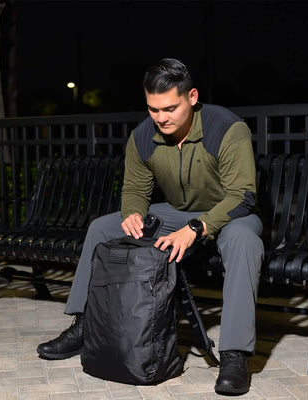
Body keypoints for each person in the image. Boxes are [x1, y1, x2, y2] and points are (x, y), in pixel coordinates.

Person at [37, 58, 264, 396]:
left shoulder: (226, 128)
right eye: (153, 109)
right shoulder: (143, 135)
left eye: (170, 108)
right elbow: (134, 190)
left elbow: (241, 196)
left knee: (245, 242)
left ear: (192, 97)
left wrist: (196, 228)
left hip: (229, 213)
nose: (161, 117)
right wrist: (131, 212)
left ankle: (235, 355)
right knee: (102, 227)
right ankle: (85, 325)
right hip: (174, 211)